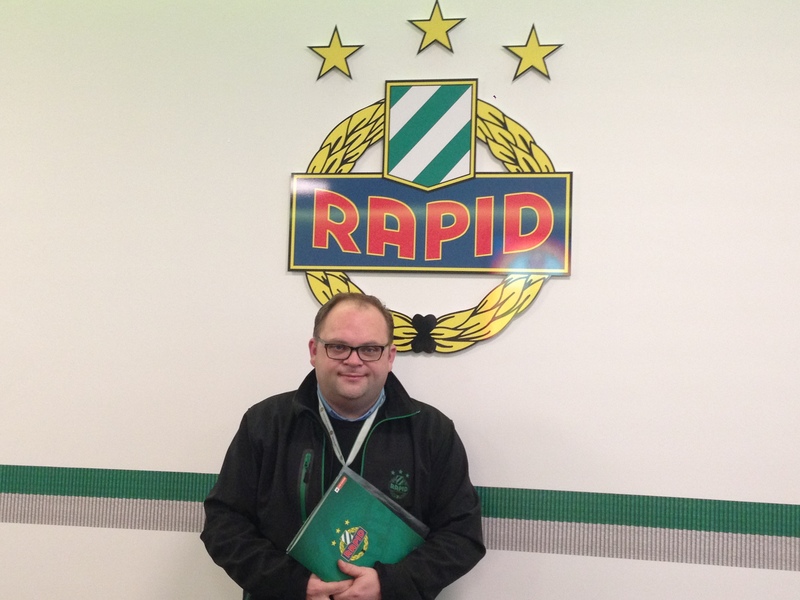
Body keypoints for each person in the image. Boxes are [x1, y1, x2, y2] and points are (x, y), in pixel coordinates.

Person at [201, 292, 485, 600]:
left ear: (390, 357)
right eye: (338, 346)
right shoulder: (265, 424)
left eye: (370, 349)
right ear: (314, 351)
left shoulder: (432, 432)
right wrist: (294, 585)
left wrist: (389, 584)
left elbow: (462, 536)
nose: (353, 360)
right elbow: (223, 525)